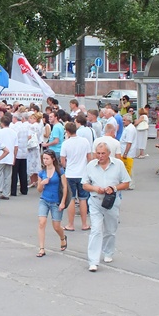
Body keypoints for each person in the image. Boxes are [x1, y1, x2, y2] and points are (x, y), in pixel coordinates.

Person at [81, 142, 131, 272]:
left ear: (109, 153)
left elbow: (126, 182)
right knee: (96, 230)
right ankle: (93, 260)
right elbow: (84, 184)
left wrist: (113, 188)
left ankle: (108, 252)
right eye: (98, 153)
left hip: (111, 202)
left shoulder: (118, 164)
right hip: (95, 201)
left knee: (110, 230)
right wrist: (95, 189)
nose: (100, 156)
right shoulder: (91, 165)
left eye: (103, 153)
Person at [36, 150, 68, 257]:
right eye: (44, 158)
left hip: (56, 201)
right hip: (44, 200)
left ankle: (63, 238)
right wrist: (41, 183)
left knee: (56, 226)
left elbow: (64, 187)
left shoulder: (59, 171)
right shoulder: (42, 172)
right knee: (42, 222)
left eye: (47, 159)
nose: (45, 161)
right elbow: (39, 190)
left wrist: (63, 202)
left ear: (53, 159)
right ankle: (41, 248)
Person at [60, 122, 92, 231]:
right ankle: (84, 224)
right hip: (83, 173)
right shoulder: (85, 141)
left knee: (72, 199)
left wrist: (66, 166)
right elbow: (89, 157)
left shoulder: (66, 143)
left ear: (67, 131)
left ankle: (71, 224)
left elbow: (62, 160)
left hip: (70, 173)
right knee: (83, 199)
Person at [0, 114, 17, 200]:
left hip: (1, 155)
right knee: (8, 176)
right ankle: (6, 193)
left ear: (2, 123)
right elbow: (16, 147)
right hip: (10, 156)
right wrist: (14, 157)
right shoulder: (14, 132)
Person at [119, 113, 138, 188]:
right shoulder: (128, 128)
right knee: (127, 168)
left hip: (128, 152)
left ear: (129, 120)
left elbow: (129, 142)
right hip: (125, 151)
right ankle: (128, 184)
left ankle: (131, 184)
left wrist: (125, 153)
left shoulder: (130, 129)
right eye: (123, 120)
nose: (123, 121)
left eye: (124, 120)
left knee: (129, 168)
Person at [27, 112, 43, 188]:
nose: (29, 120)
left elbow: (29, 136)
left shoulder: (33, 126)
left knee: (31, 163)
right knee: (36, 163)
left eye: (31, 118)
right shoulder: (39, 126)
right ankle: (35, 180)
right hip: (36, 146)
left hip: (32, 146)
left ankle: (33, 181)